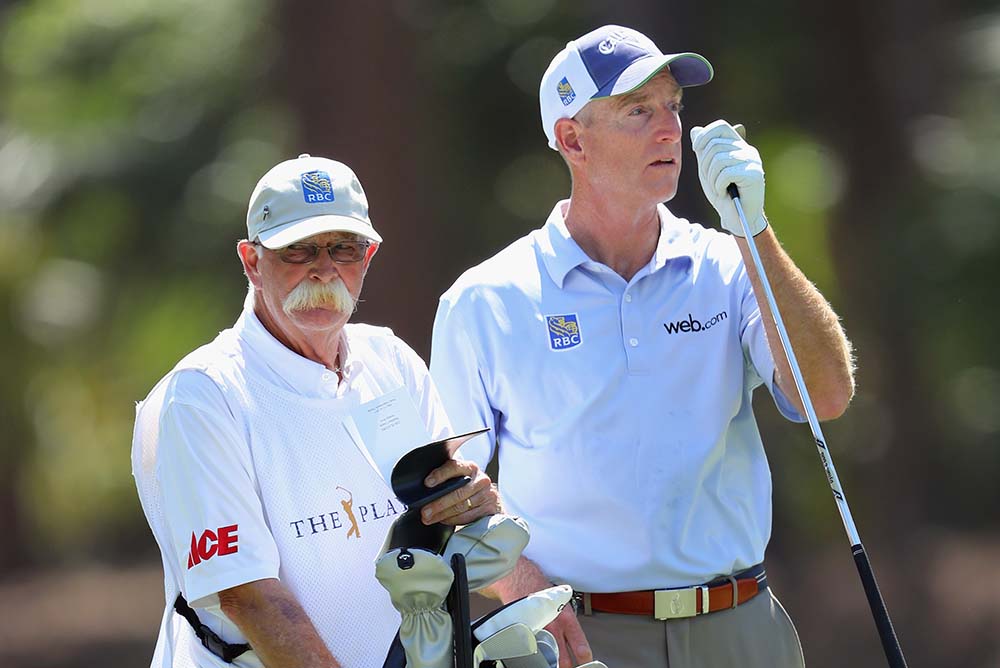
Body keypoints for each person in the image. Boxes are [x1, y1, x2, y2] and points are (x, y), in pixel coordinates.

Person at [429, 25, 855, 668]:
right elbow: (448, 495)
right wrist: (519, 585)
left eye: (673, 109)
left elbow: (825, 395)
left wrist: (755, 232)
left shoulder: (728, 264)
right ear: (572, 139)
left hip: (738, 628)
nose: (669, 130)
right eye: (638, 111)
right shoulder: (485, 301)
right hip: (582, 639)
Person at [132, 154, 499, 668]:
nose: (324, 268)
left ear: (367, 256)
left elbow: (442, 520)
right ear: (251, 261)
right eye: (298, 249)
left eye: (343, 248)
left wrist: (473, 506)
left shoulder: (390, 360)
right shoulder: (205, 394)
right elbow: (248, 596)